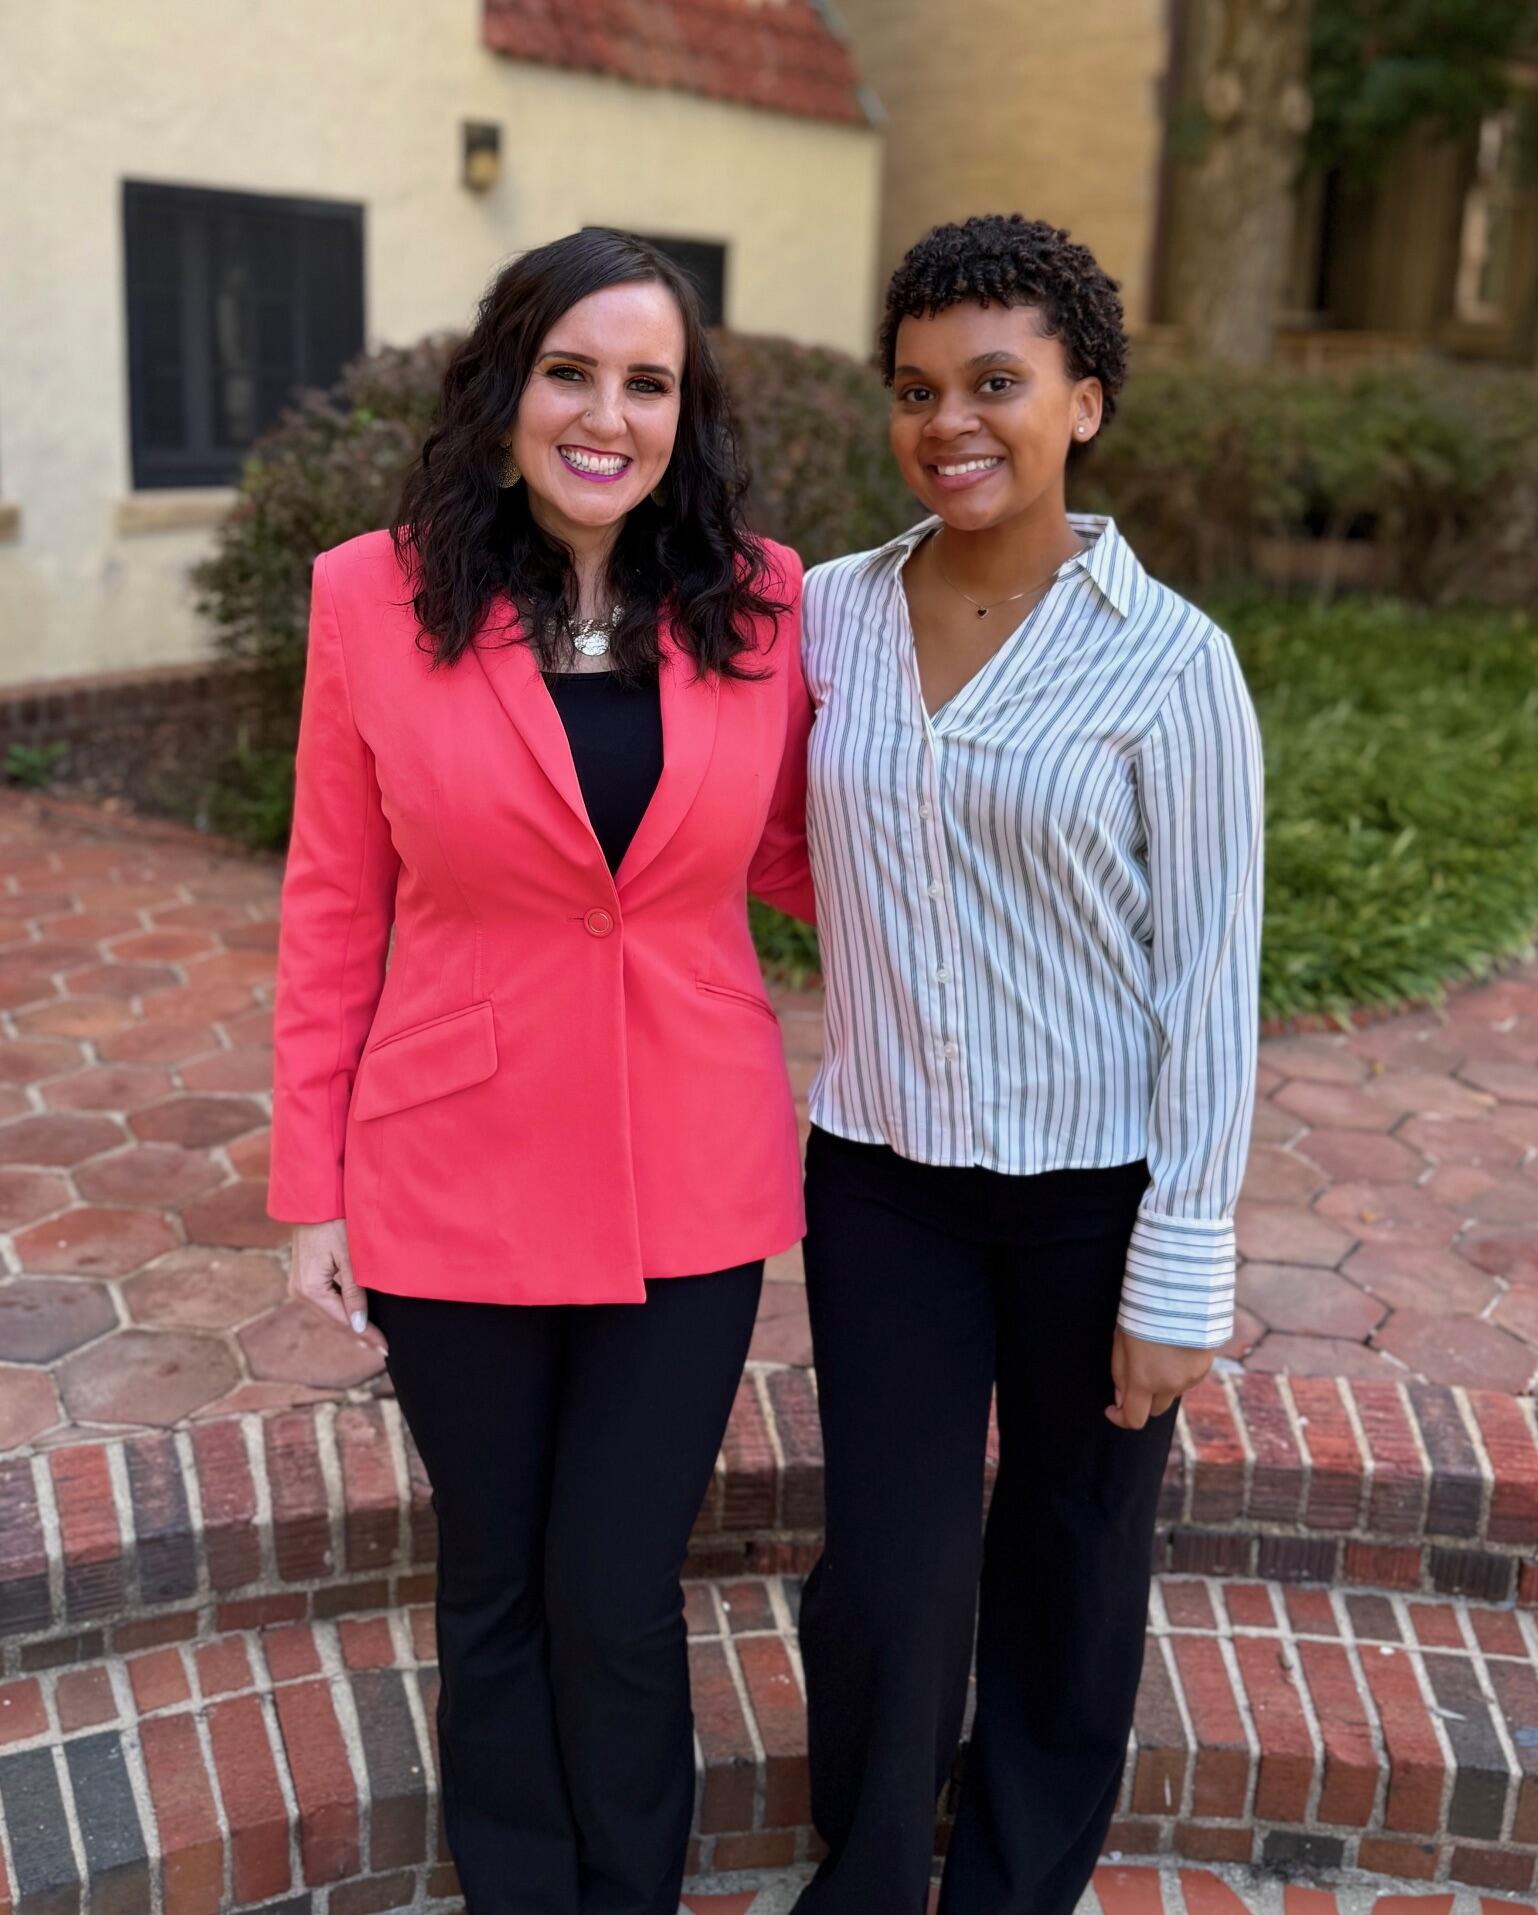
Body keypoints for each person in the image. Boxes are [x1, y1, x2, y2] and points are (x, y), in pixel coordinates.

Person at [265, 227, 813, 1915]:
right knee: (494, 1579)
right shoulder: (372, 592)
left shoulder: (766, 599)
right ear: (507, 388)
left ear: (685, 412)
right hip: (449, 1170)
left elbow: (818, 850)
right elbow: (332, 896)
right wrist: (309, 1187)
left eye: (646, 382)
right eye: (570, 372)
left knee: (618, 1582)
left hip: (689, 1181)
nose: (606, 415)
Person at [794, 214, 1264, 1915]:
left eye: (996, 382)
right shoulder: (819, 617)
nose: (949, 423)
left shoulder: (1172, 662)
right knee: (891, 1582)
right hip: (882, 1187)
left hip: (1092, 1203)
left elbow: (1209, 983)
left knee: (1069, 1566)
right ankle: (864, 1877)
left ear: (1085, 402)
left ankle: (1008, 1890)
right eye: (916, 389)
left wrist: (1182, 1265)